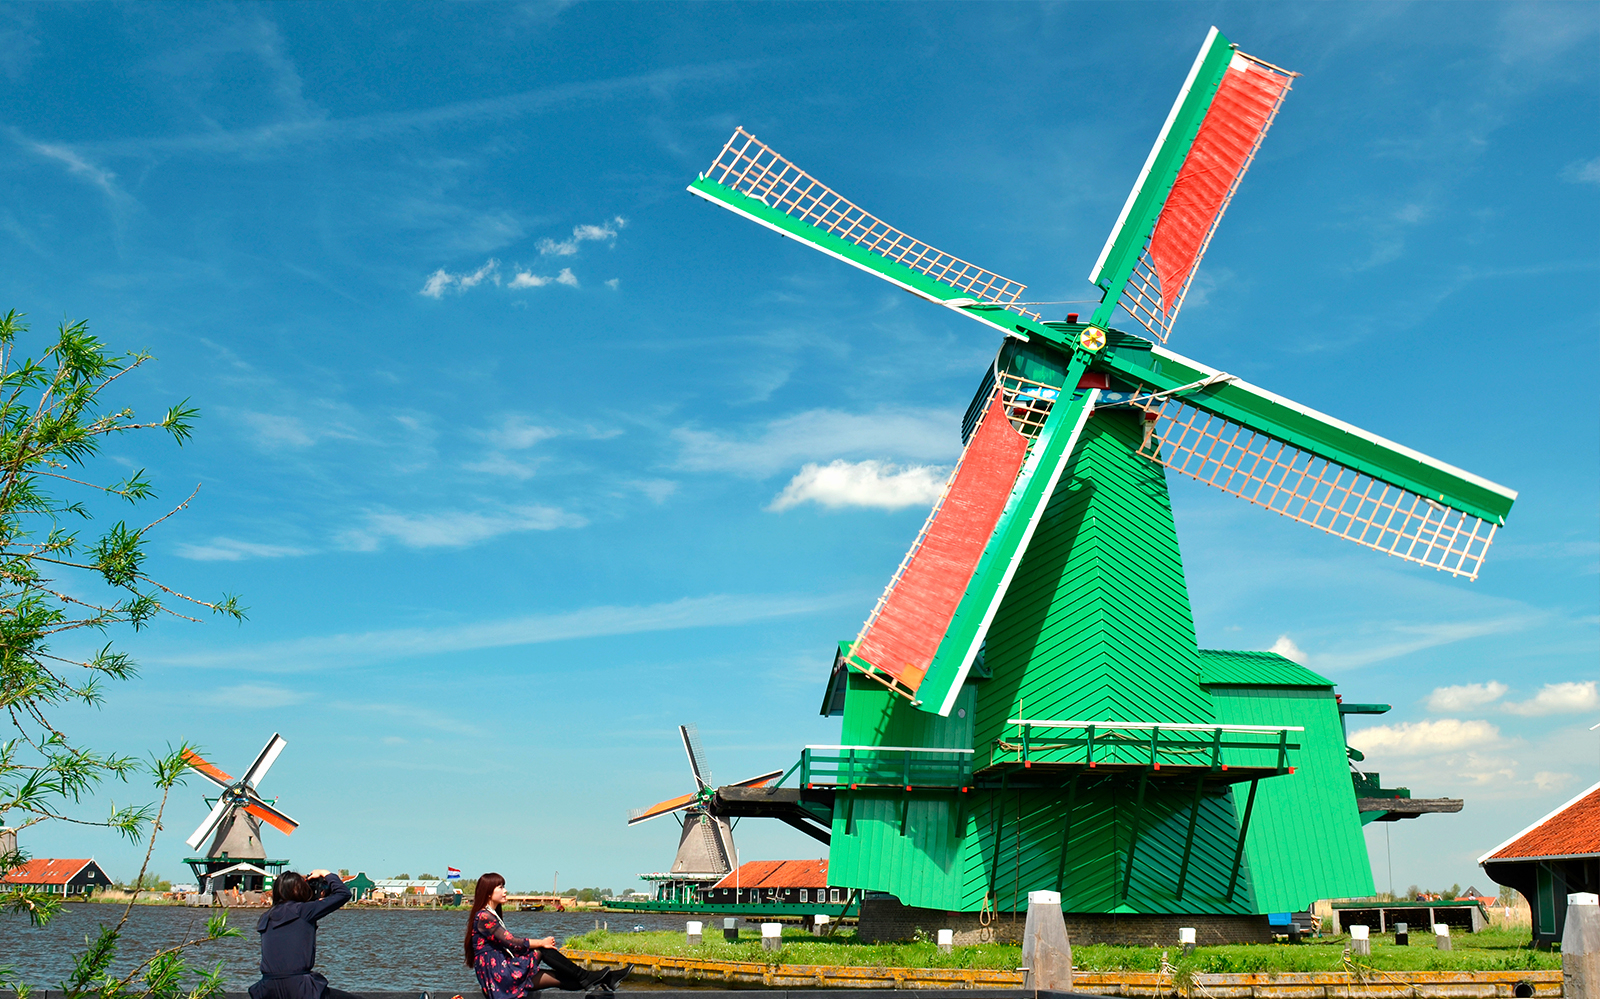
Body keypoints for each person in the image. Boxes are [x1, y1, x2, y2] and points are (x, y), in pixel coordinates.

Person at [465, 873, 629, 996]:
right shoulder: (484, 916)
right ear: (488, 892)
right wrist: (541, 942)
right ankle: (591, 977)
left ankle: (605, 978)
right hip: (499, 976)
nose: (505, 891)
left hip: (503, 972)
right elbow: (511, 942)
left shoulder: (491, 915)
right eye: (500, 887)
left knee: (559, 978)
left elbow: (512, 947)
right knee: (542, 950)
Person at [250, 869, 360, 999]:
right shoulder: (303, 911)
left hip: (267, 988)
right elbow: (343, 894)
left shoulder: (266, 917)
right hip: (299, 987)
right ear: (298, 890)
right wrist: (325, 873)